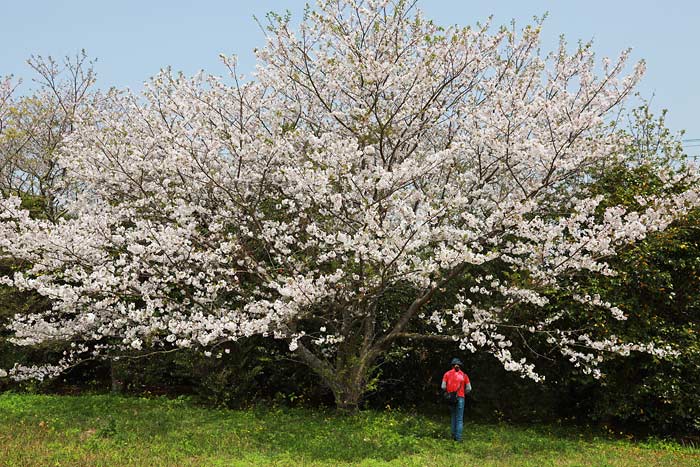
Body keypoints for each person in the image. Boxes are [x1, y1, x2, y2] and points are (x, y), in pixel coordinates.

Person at [442, 357, 471, 442]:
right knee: (459, 419)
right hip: (460, 398)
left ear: (452, 365)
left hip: (451, 398)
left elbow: (443, 386)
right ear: (460, 366)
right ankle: (458, 439)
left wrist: (449, 390)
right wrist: (463, 392)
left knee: (453, 417)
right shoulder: (464, 375)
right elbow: (469, 388)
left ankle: (453, 436)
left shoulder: (446, 374)